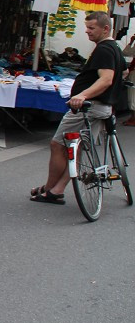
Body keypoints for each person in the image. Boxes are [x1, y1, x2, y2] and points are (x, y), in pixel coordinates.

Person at [31, 11, 126, 204]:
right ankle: (57, 188)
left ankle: (50, 188)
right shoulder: (114, 47)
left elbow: (106, 79)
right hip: (103, 107)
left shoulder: (104, 49)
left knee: (58, 144)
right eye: (87, 27)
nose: (87, 32)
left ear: (105, 28)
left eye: (92, 28)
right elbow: (122, 71)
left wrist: (82, 95)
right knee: (78, 148)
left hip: (90, 107)